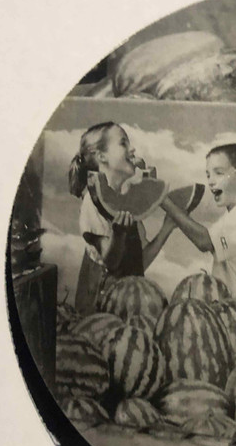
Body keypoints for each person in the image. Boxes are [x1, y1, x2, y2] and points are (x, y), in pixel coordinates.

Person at [69, 121, 176, 314]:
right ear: (102, 156)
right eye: (123, 143)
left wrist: (166, 229)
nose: (132, 149)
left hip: (128, 303)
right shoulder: (92, 203)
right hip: (99, 311)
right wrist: (118, 235)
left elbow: (139, 263)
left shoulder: (128, 201)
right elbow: (111, 263)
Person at [161, 143, 236, 296]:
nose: (211, 181)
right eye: (208, 175)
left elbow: (205, 241)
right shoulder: (233, 214)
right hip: (233, 303)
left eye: (219, 173)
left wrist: (163, 200)